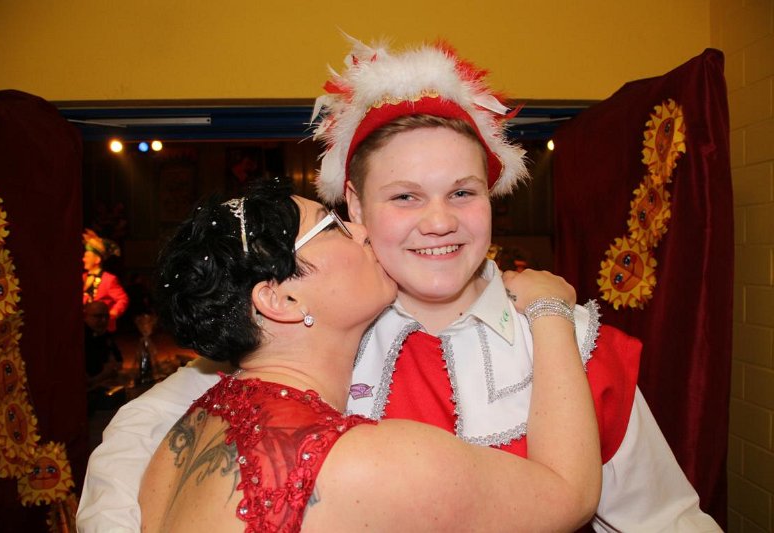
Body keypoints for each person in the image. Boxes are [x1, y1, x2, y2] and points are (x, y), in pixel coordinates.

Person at [78, 37, 721, 532]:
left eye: (463, 192)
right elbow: (139, 433)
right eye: (405, 196)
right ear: (356, 209)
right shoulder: (308, 340)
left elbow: (669, 523)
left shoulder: (578, 346)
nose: (439, 221)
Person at [138, 179, 600, 531]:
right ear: (282, 300)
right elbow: (568, 495)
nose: (361, 230)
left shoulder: (187, 433)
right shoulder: (361, 463)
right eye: (333, 226)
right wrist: (549, 308)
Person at [83, 228, 129, 332]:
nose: (83, 259)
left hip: (103, 327)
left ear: (97, 259)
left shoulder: (108, 279)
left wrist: (112, 313)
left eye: (87, 256)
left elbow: (123, 299)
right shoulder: (83, 277)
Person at [84, 300, 124, 414]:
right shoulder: (81, 338)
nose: (104, 320)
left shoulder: (104, 334)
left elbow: (119, 360)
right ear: (86, 316)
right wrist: (102, 375)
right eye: (98, 316)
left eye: (106, 316)